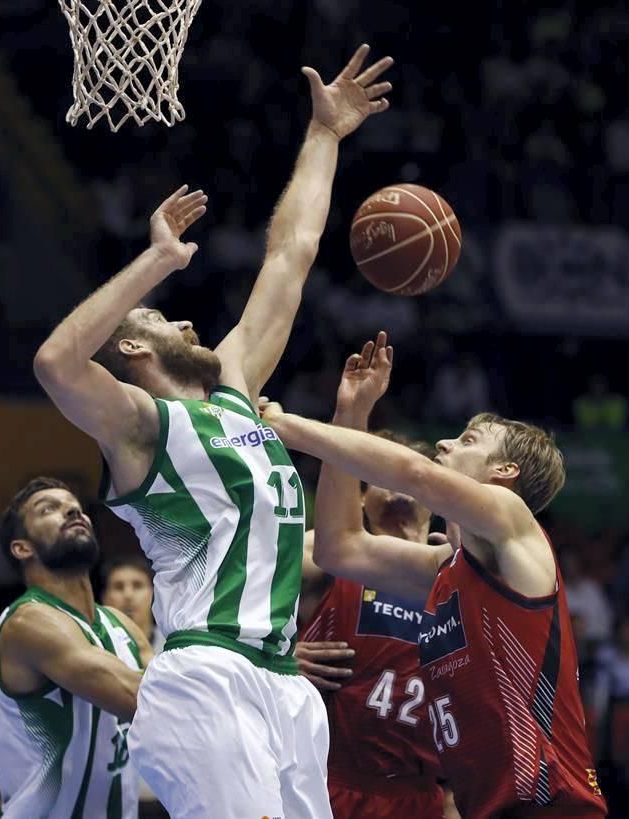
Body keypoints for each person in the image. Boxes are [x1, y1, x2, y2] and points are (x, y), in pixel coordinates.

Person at [33, 44, 393, 819]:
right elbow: (58, 361)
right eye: (165, 318)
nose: (189, 317)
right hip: (206, 677)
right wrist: (155, 262)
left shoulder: (233, 391)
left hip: (283, 686)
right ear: (133, 348)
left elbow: (291, 256)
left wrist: (326, 135)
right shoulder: (139, 428)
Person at [260, 332, 607, 819]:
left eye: (468, 441)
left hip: (548, 804)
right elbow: (342, 547)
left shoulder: (512, 520)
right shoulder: (448, 570)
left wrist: (285, 425)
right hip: (483, 805)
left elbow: (413, 474)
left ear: (504, 472)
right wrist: (350, 415)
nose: (443, 442)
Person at [294, 340, 451, 818]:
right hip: (331, 780)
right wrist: (272, 657)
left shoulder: (457, 567)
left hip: (426, 791)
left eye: (406, 472)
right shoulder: (320, 553)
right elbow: (227, 604)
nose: (396, 482)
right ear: (357, 498)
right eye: (379, 472)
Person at [0, 477, 153, 818]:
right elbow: (144, 700)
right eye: (49, 509)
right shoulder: (28, 623)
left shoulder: (120, 624)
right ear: (22, 548)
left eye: (74, 506)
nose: (72, 511)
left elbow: (177, 706)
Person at [101, 554, 165, 653]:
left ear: (154, 594)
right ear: (104, 598)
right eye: (118, 587)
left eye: (137, 586)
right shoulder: (97, 647)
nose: (128, 595)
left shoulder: (175, 646)